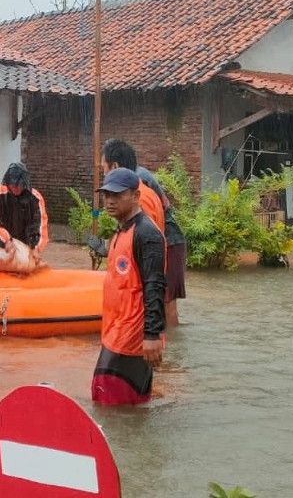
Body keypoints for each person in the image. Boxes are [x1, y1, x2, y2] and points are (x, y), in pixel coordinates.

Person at [91, 168, 166, 406]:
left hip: (131, 335)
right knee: (122, 404)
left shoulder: (147, 234)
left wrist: (152, 335)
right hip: (115, 329)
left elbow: (155, 285)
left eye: (117, 195)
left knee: (107, 396)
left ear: (135, 196)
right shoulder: (122, 229)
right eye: (106, 195)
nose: (109, 201)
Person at [101, 138, 187, 326]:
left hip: (169, 242)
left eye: (104, 169)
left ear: (114, 166)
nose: (104, 176)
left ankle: (168, 347)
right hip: (167, 238)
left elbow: (147, 234)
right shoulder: (134, 182)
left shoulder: (139, 189)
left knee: (166, 302)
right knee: (163, 301)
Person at [0, 162, 49, 253]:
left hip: (26, 248)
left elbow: (40, 227)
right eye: (12, 186)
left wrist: (35, 249)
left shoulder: (36, 198)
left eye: (18, 185)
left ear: (24, 183)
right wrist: (6, 240)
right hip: (2, 246)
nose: (15, 188)